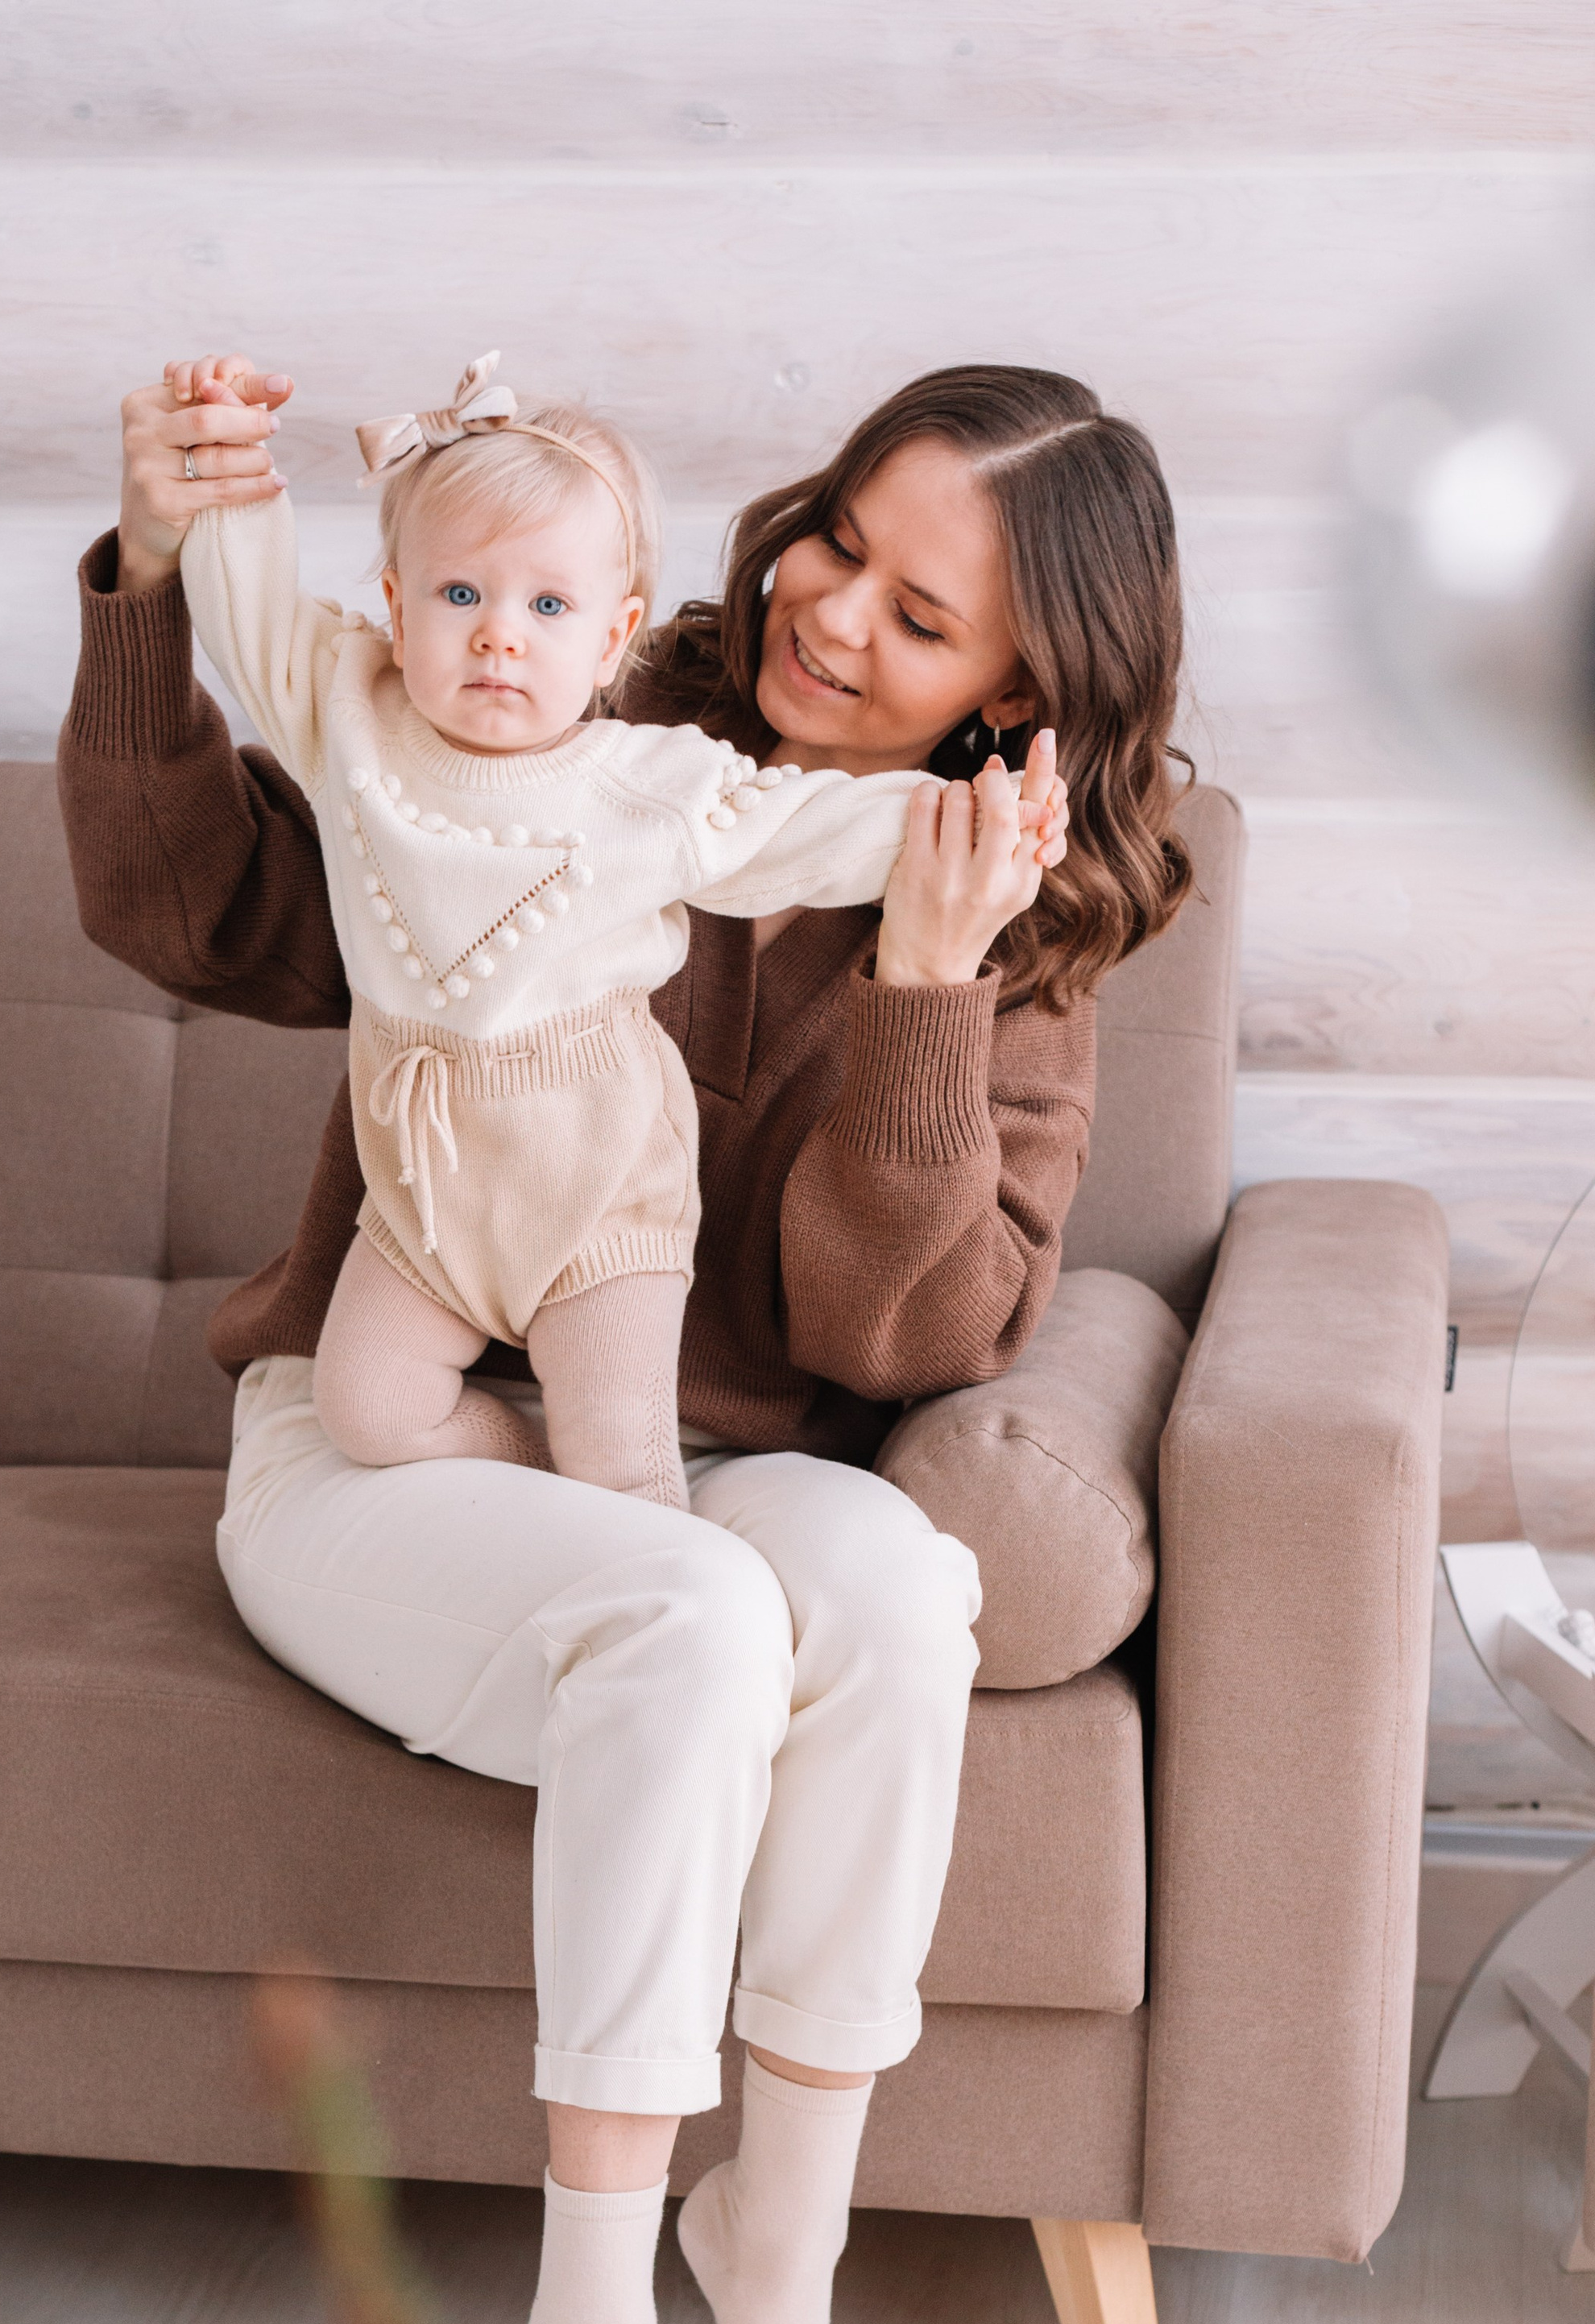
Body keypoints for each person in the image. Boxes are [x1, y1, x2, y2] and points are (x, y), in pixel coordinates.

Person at [59, 355, 1188, 2324]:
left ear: (1023, 692)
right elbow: (204, 913)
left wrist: (918, 993)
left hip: (700, 1453)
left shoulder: (1006, 915)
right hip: (391, 1451)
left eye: (922, 611)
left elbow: (909, 1337)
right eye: (837, 542)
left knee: (896, 1581)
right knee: (688, 1619)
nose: (833, 611)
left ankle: (773, 2274)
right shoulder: (557, 697)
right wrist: (165, 583)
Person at [179, 350, 1060, 1514]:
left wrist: (977, 832)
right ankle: (533, 1490)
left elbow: (794, 827)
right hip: (423, 1201)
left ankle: (611, 1526)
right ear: (395, 602)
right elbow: (249, 626)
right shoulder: (354, 707)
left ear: (611, 639)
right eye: (459, 596)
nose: (500, 636)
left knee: (628, 1475)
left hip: (598, 1199)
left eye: (547, 607)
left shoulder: (644, 778)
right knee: (371, 1413)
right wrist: (223, 483)